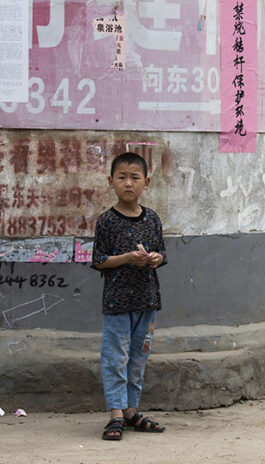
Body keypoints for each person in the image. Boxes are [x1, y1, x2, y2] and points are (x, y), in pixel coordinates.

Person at [92, 152, 167, 440]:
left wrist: (154, 258)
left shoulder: (153, 219)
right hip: (116, 303)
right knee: (115, 358)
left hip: (147, 301)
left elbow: (161, 254)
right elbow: (99, 260)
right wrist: (126, 258)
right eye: (121, 177)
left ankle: (131, 411)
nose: (128, 183)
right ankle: (114, 414)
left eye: (135, 178)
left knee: (138, 358)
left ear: (146, 182)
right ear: (111, 182)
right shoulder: (107, 222)